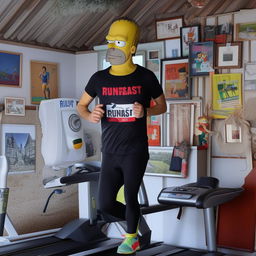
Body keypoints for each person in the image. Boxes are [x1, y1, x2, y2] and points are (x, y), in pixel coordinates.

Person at [77, 17, 167, 255]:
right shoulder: (98, 78)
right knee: (105, 204)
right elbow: (81, 106)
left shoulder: (146, 77)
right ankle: (133, 226)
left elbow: (162, 106)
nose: (114, 48)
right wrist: (90, 115)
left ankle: (130, 238)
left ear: (132, 48)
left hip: (135, 150)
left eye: (120, 42)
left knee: (130, 195)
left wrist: (146, 110)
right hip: (111, 151)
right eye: (111, 42)